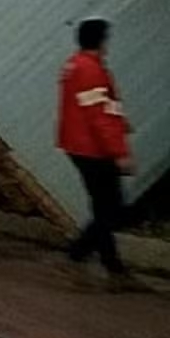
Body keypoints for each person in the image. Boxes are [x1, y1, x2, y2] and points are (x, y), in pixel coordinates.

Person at [57, 18, 142, 291]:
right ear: (101, 40)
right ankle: (78, 255)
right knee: (112, 209)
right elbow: (99, 117)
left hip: (80, 145)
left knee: (104, 207)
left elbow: (97, 108)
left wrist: (121, 124)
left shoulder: (76, 65)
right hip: (93, 149)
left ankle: (112, 267)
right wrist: (119, 152)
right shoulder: (90, 70)